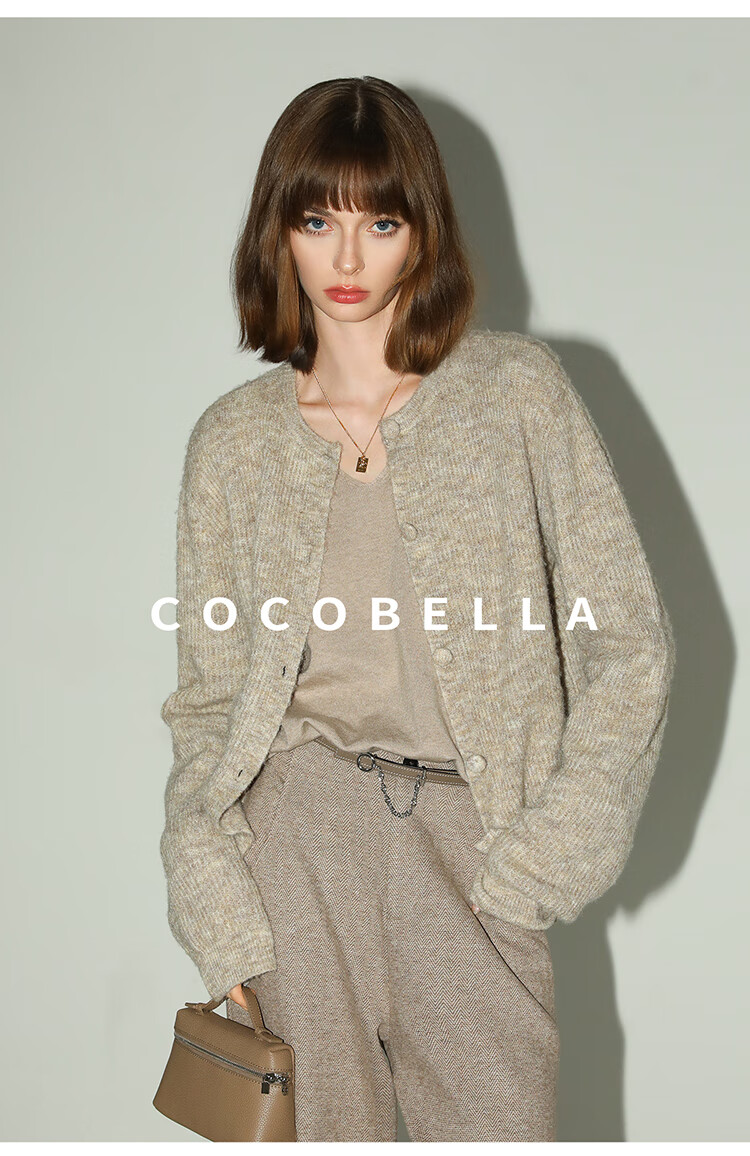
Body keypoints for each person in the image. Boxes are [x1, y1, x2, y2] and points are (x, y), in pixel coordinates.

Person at [158, 76, 676, 1142]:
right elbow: (207, 702)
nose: (347, 258)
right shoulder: (233, 443)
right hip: (296, 851)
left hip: (473, 845)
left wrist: (541, 863)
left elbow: (629, 646)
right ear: (279, 232)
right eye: (318, 221)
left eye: (380, 223)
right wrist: (217, 899)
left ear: (422, 230)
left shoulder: (518, 395)